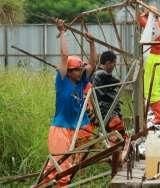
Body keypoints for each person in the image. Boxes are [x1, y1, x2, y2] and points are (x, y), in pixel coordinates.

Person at [43, 19, 96, 186]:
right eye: (77, 70)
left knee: (68, 165)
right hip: (61, 129)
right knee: (60, 170)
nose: (80, 72)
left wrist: (92, 44)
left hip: (77, 129)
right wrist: (63, 33)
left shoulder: (81, 83)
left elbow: (93, 64)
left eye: (81, 69)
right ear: (69, 71)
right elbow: (64, 56)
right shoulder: (62, 80)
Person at [138, 6, 160, 125]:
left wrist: (143, 12)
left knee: (150, 90)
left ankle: (159, 117)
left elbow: (141, 20)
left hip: (153, 58)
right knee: (157, 89)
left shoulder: (153, 25)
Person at [92, 51, 126, 139]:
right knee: (118, 130)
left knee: (115, 135)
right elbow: (120, 83)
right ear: (108, 63)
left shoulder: (97, 73)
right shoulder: (102, 74)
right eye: (114, 63)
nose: (115, 66)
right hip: (106, 110)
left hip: (104, 110)